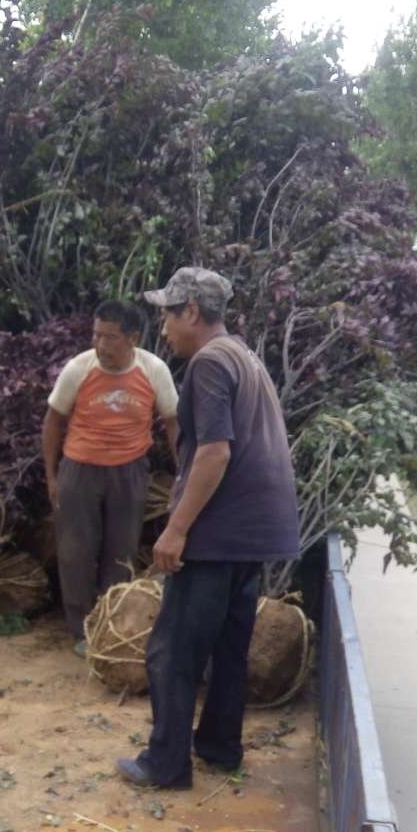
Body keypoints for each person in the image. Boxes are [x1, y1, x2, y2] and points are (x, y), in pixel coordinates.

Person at [115, 267, 300, 790]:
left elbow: (216, 453)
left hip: (219, 532)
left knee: (172, 649)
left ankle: (165, 764)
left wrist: (176, 530)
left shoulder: (209, 364)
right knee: (228, 645)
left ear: (191, 312)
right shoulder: (244, 356)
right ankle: (220, 748)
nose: (164, 328)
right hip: (256, 532)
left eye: (168, 315)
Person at [42, 299, 178, 651]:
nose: (101, 345)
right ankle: (81, 631)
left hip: (129, 472)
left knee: (121, 550)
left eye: (111, 337)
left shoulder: (154, 370)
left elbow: (172, 423)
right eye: (96, 335)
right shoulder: (79, 369)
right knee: (75, 552)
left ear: (133, 337)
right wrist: (52, 476)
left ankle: (111, 624)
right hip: (79, 471)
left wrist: (183, 472)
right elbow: (53, 421)